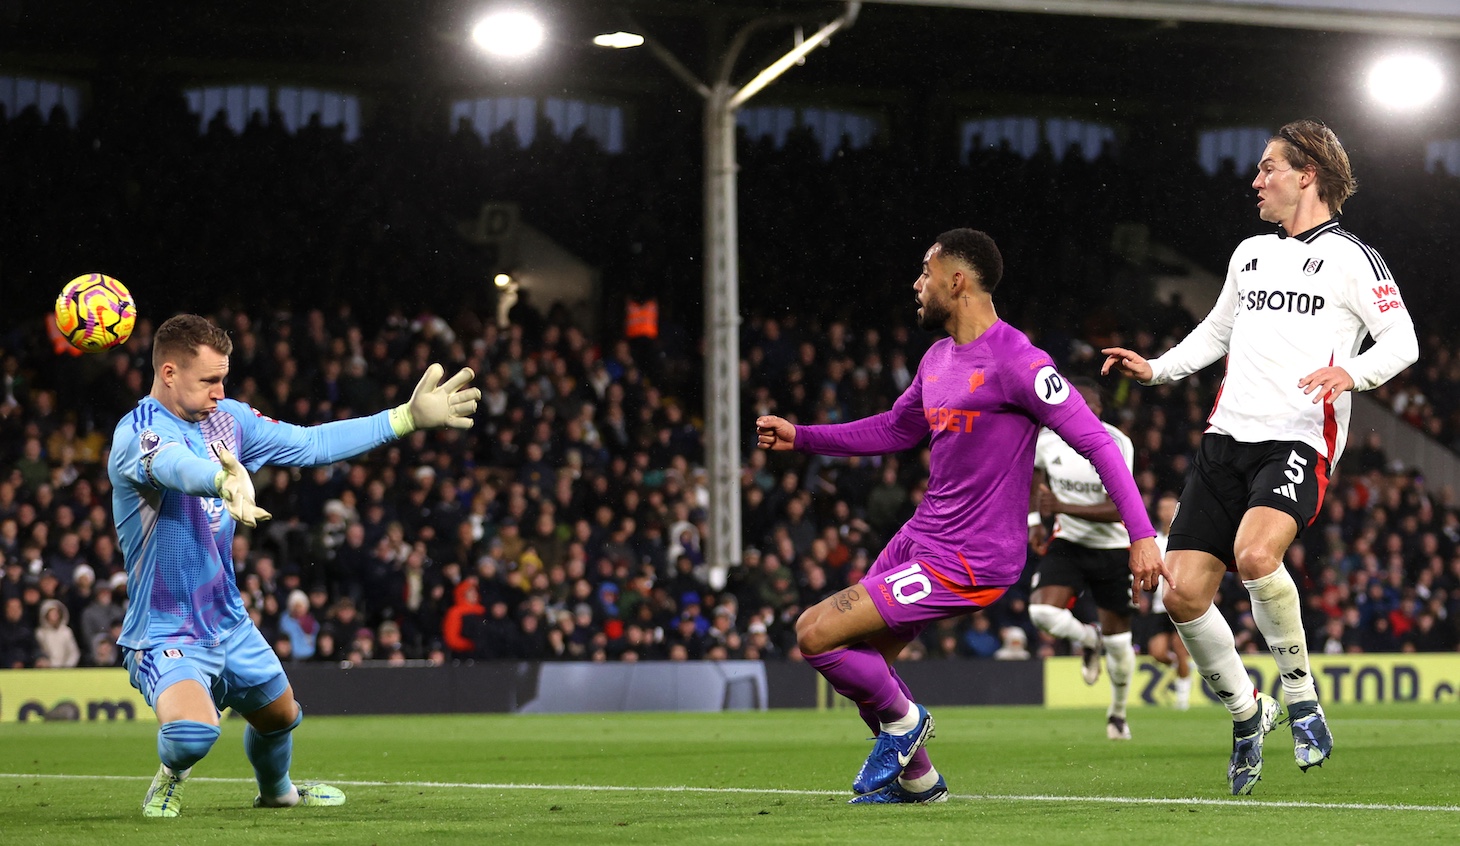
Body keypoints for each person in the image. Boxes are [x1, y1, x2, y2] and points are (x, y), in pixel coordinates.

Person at [756, 229, 1165, 805]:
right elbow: (895, 429)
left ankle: (907, 725)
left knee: (815, 632)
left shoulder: (1020, 361)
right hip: (921, 536)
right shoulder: (938, 358)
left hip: (971, 556)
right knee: (867, 669)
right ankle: (921, 783)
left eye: (925, 272)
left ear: (957, 280)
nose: (916, 284)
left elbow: (1097, 443)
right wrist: (802, 437)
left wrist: (1142, 535)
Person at [1102, 119, 1418, 795]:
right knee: (1180, 592)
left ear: (1307, 176)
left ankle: (1302, 696)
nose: (1255, 180)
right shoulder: (1250, 254)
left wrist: (1351, 375)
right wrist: (1154, 370)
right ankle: (1250, 714)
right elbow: (1216, 332)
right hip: (1225, 441)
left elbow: (1402, 342)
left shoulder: (1353, 260)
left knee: (1254, 557)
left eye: (1268, 168)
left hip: (1296, 437)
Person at [109, 314, 479, 817]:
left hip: (227, 619)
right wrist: (221, 481)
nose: (221, 391)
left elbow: (311, 444)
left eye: (224, 378)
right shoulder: (137, 434)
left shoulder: (228, 419)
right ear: (169, 373)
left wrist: (404, 419)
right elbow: (175, 466)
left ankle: (277, 791)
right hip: (166, 629)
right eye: (209, 380)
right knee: (194, 734)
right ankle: (170, 777)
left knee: (281, 717)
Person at [1026, 378, 1138, 740]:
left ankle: (1118, 713)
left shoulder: (1117, 443)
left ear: (1100, 410)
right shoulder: (1048, 441)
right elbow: (1035, 473)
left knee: (1120, 646)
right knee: (1041, 612)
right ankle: (1088, 639)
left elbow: (1122, 507)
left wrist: (1060, 506)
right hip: (1069, 543)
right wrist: (1034, 520)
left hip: (1113, 549)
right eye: (1075, 406)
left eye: (1089, 407)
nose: (1081, 413)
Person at [1139, 493, 1192, 710]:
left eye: (1171, 508)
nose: (1167, 512)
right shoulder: (1153, 541)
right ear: (1159, 512)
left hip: (1180, 603)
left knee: (1180, 649)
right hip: (1159, 606)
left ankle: (1182, 699)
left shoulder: (1185, 539)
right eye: (1163, 508)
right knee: (1157, 652)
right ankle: (1180, 669)